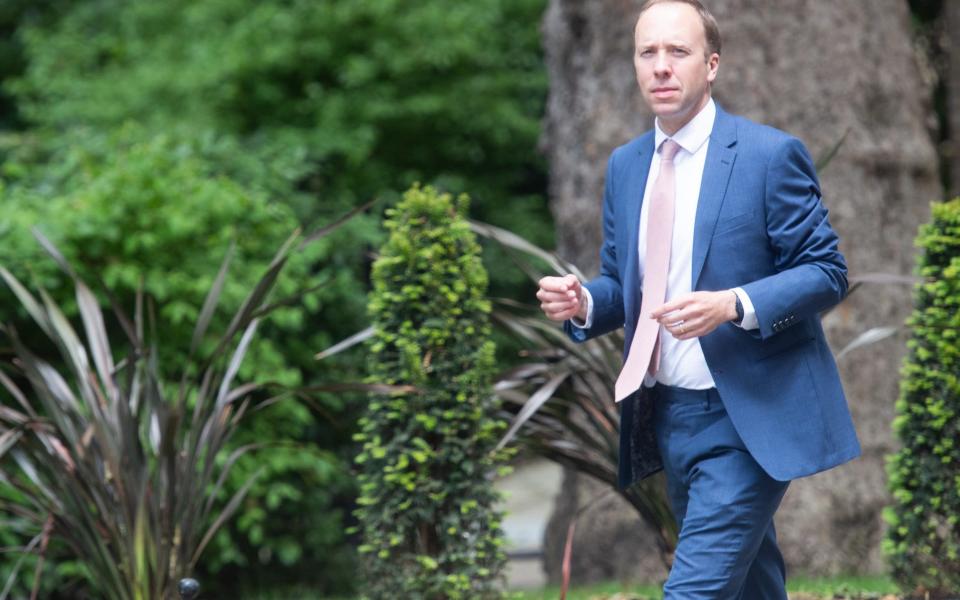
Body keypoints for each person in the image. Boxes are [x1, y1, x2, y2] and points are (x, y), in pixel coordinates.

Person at [535, 0, 860, 597]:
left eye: (677, 52)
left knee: (693, 591)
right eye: (647, 52)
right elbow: (625, 286)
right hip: (669, 418)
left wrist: (734, 303)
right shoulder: (627, 165)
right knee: (751, 587)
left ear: (711, 65)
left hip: (748, 417)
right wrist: (583, 301)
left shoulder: (768, 156)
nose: (660, 66)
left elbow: (827, 271)